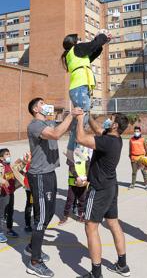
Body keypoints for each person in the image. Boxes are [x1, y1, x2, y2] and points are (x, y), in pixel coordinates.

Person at [24, 97, 82, 278]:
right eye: (41, 103)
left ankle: (32, 246)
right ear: (35, 109)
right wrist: (71, 116)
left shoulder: (48, 122)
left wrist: (75, 114)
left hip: (49, 173)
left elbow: (61, 127)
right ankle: (34, 262)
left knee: (48, 214)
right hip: (39, 175)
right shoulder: (35, 125)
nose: (44, 104)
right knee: (41, 218)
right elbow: (56, 134)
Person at [75, 110, 130, 278]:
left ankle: (96, 273)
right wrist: (88, 116)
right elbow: (99, 130)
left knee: (91, 227)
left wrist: (79, 120)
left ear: (114, 125)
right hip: (111, 186)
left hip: (99, 189)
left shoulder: (107, 141)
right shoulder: (116, 139)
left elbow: (81, 139)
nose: (106, 120)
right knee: (113, 223)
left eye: (110, 119)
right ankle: (122, 265)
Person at [61, 30, 112, 159]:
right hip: (80, 88)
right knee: (81, 117)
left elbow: (95, 50)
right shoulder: (76, 49)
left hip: (80, 88)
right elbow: (93, 45)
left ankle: (73, 148)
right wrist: (101, 35)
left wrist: (102, 41)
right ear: (74, 42)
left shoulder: (76, 53)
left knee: (81, 118)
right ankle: (73, 149)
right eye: (79, 38)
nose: (82, 40)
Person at [59, 146, 90, 225]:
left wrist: (86, 177)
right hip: (73, 182)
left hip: (83, 182)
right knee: (70, 200)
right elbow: (71, 168)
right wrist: (77, 177)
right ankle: (65, 216)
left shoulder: (86, 155)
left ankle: (80, 215)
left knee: (82, 200)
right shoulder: (71, 155)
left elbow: (88, 167)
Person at [0, 148, 19, 238]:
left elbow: (18, 169)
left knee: (10, 212)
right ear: (1, 157)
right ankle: (0, 233)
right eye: (7, 154)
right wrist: (2, 180)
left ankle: (9, 229)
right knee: (2, 214)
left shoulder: (9, 165)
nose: (9, 156)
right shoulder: (1, 166)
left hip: (11, 193)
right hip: (3, 193)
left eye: (9, 154)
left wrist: (24, 162)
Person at [0, 162, 9, 243]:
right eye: (6, 154)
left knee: (1, 215)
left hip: (3, 193)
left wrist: (23, 162)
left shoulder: (4, 165)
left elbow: (15, 168)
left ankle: (0, 233)